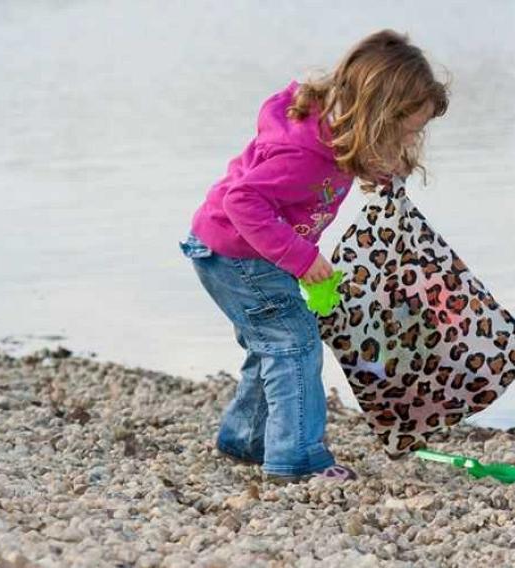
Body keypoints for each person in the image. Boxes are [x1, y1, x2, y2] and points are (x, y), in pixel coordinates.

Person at [178, 29, 448, 484]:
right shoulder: (302, 152)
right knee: (294, 344)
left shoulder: (331, 129)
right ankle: (297, 457)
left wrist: (381, 171)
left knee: (270, 343)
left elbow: (330, 169)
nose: (409, 141)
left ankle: (246, 437)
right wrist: (301, 258)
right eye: (405, 132)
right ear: (377, 116)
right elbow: (241, 201)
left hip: (231, 249)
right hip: (238, 254)